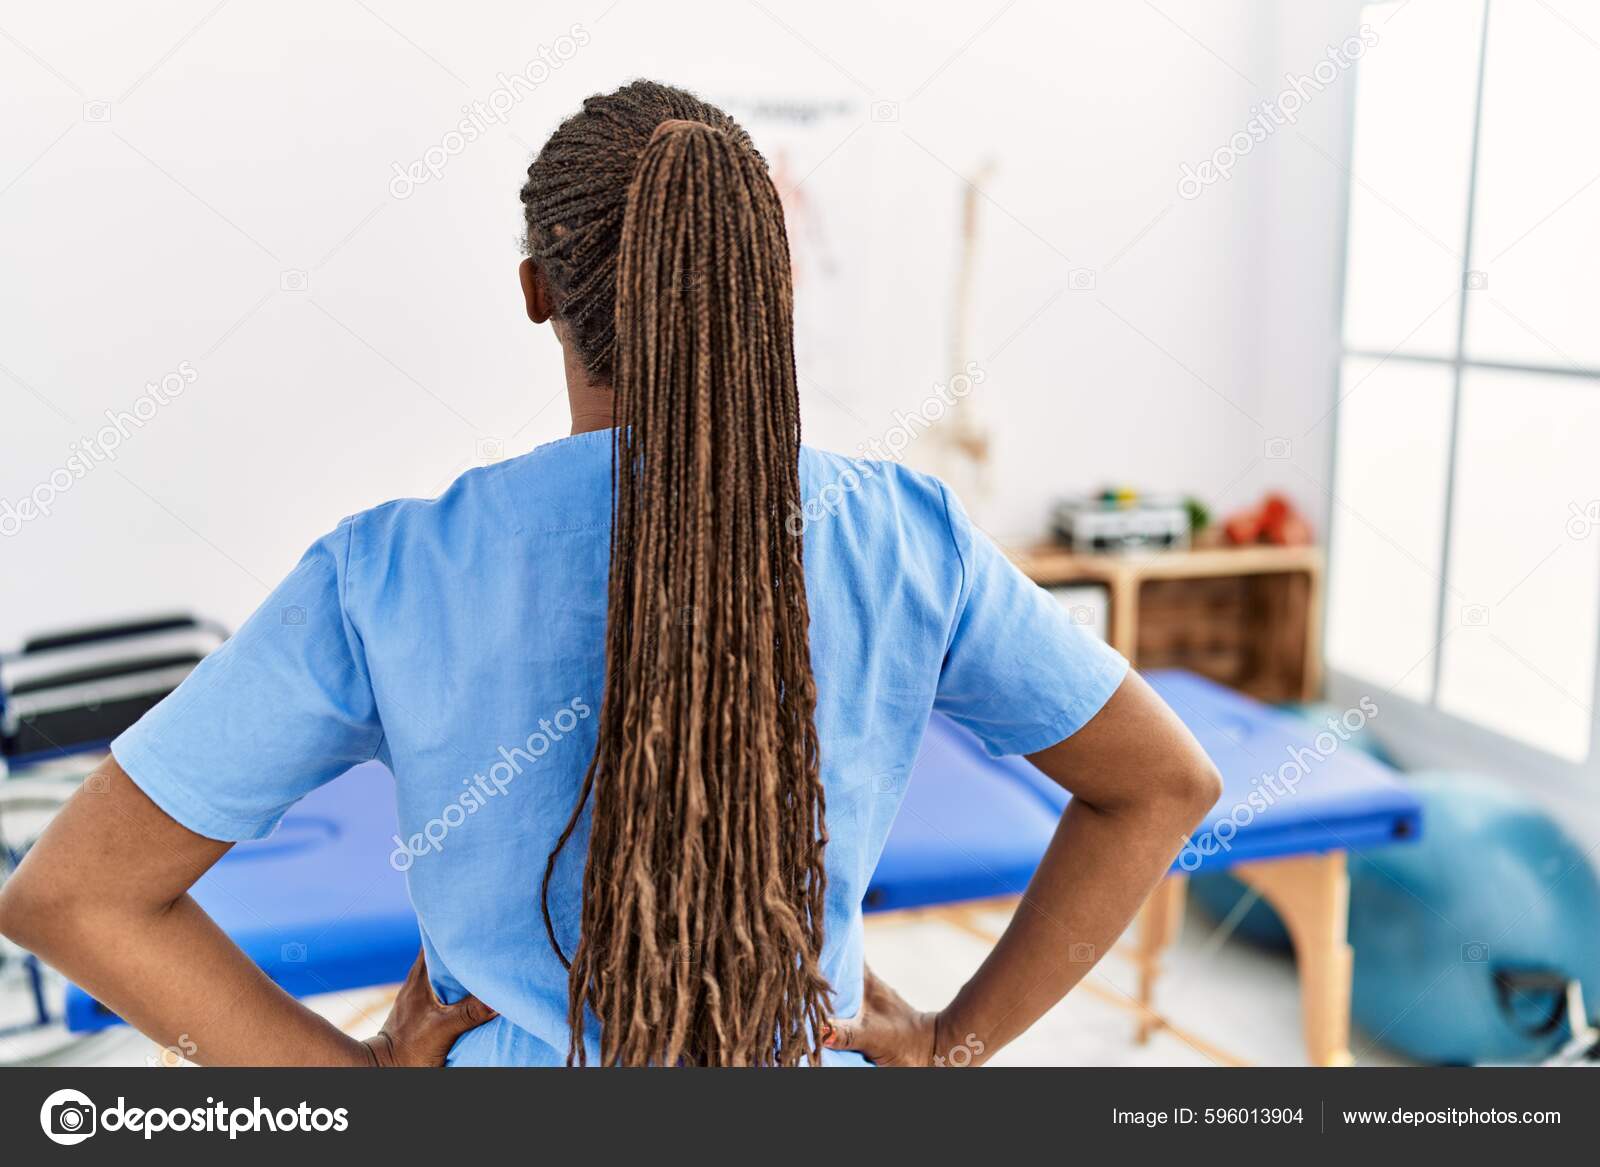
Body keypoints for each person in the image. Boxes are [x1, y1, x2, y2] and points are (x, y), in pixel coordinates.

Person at [0, 81, 1220, 1067]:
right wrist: (954, 1048)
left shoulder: (389, 571)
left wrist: (356, 1086)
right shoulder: (903, 534)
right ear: (770, 286)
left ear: (538, 292)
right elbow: (1162, 784)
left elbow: (72, 897)